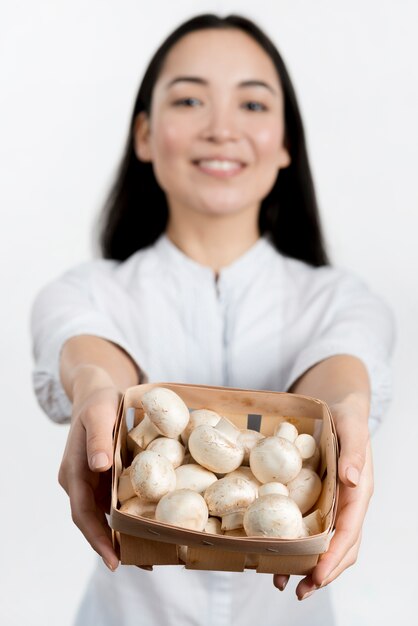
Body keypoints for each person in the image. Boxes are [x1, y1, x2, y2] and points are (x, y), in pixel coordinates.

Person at [30, 13, 394, 626]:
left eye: (252, 105)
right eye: (191, 99)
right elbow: (91, 353)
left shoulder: (342, 299)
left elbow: (338, 374)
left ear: (285, 144)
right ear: (144, 135)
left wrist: (345, 415)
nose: (221, 128)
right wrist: (96, 390)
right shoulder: (84, 290)